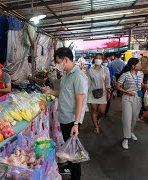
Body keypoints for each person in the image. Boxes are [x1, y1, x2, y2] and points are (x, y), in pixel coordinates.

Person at [41, 47, 88, 180]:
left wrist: (76, 124)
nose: (56, 65)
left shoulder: (79, 76)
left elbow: (80, 100)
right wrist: (50, 91)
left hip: (72, 120)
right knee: (69, 150)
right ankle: (72, 171)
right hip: (65, 117)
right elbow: (62, 93)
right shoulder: (66, 75)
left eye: (57, 62)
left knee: (73, 151)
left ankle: (76, 177)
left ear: (65, 60)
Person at [116, 58, 148, 149]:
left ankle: (131, 132)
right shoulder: (125, 75)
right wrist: (127, 92)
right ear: (133, 66)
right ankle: (126, 138)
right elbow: (117, 86)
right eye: (139, 64)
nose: (140, 65)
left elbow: (140, 83)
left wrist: (144, 85)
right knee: (127, 118)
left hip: (137, 97)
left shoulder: (141, 74)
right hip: (127, 98)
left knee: (134, 118)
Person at [87, 53, 111, 134]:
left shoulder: (105, 70)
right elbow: (88, 83)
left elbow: (107, 82)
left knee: (102, 112)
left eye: (100, 58)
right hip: (92, 93)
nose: (98, 59)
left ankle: (97, 118)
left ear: (102, 59)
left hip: (103, 93)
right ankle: (96, 127)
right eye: (96, 58)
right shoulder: (90, 70)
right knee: (94, 110)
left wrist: (108, 92)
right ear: (94, 59)